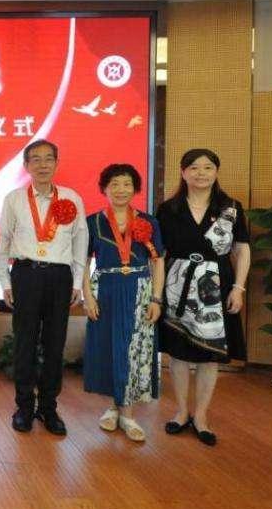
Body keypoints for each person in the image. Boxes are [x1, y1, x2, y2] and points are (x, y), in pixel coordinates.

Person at [156, 149, 250, 446]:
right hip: (177, 287)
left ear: (216, 172)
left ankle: (201, 416)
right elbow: (159, 255)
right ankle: (181, 411)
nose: (201, 173)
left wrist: (238, 288)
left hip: (216, 287)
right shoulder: (168, 209)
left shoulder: (231, 208)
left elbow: (242, 249)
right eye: (194, 167)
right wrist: (156, 294)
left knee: (210, 357)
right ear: (183, 172)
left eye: (208, 167)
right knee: (179, 354)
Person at [0, 139, 87, 436]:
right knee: (24, 344)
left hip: (60, 277)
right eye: (35, 159)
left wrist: (77, 282)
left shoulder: (71, 198)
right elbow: (3, 241)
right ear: (26, 166)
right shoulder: (14, 199)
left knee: (54, 344)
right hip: (26, 274)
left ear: (57, 163)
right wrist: (5, 281)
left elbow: (80, 241)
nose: (42, 164)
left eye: (48, 158)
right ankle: (24, 407)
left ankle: (48, 408)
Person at [81, 164, 165, 442]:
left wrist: (156, 298)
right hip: (105, 289)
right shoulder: (93, 222)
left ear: (135, 188)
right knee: (109, 347)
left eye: (127, 184)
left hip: (139, 289)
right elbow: (83, 262)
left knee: (134, 348)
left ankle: (127, 414)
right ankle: (113, 407)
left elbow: (159, 261)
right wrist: (87, 296)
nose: (121, 190)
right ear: (104, 189)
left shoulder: (148, 222)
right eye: (114, 184)